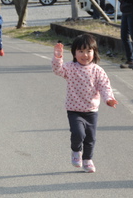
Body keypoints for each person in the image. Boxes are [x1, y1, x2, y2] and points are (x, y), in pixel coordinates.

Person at [52, 33, 118, 173]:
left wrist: (109, 99)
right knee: (78, 133)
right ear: (75, 53)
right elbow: (57, 70)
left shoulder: (97, 70)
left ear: (94, 52)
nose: (85, 55)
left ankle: (87, 160)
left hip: (91, 110)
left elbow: (104, 86)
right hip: (74, 109)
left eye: (89, 51)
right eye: (81, 51)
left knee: (90, 138)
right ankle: (76, 151)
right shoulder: (70, 67)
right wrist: (58, 57)